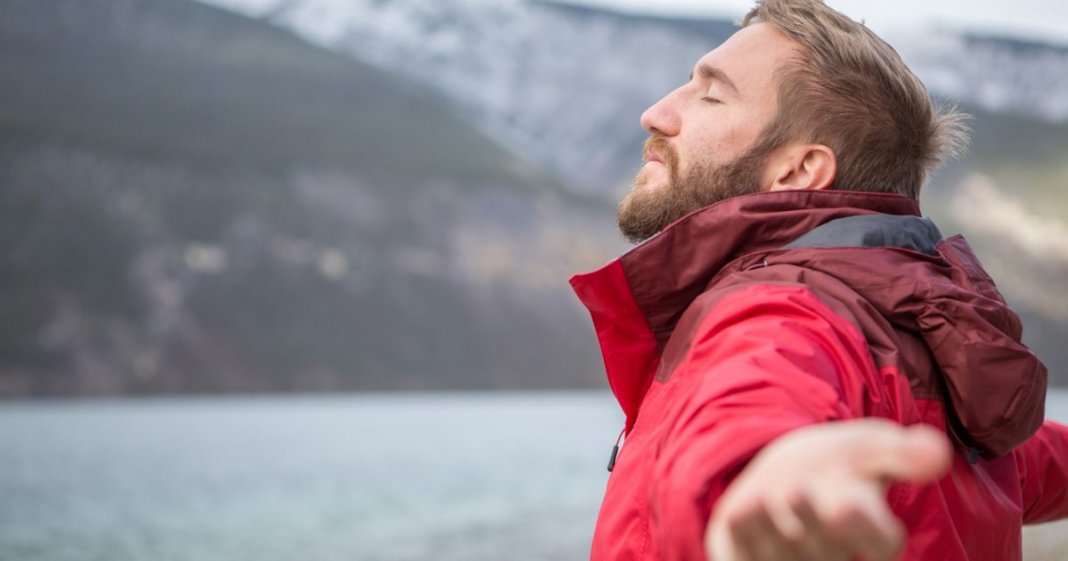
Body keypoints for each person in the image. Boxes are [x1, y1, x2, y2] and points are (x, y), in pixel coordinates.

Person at [568, 1, 1068, 560]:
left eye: (710, 95)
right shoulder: (918, 341)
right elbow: (1015, 461)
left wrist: (763, 484)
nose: (656, 114)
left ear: (799, 171)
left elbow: (756, 402)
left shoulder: (775, 311)